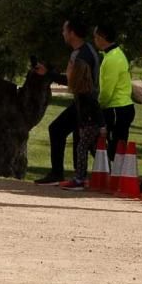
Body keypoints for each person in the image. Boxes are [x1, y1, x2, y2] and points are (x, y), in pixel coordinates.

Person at [33, 20, 99, 187]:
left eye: (64, 30)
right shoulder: (85, 50)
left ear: (72, 33)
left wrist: (49, 75)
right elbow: (73, 81)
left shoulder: (81, 55)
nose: (62, 33)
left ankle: (63, 175)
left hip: (86, 102)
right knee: (82, 140)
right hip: (83, 102)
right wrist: (48, 74)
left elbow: (73, 82)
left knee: (61, 131)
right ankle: (77, 176)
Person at [94, 23, 134, 161]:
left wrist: (99, 107)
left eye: (96, 36)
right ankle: (116, 176)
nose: (94, 39)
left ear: (102, 37)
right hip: (123, 106)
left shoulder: (111, 59)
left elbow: (107, 91)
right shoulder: (115, 53)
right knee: (118, 146)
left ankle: (115, 177)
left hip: (117, 107)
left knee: (115, 148)